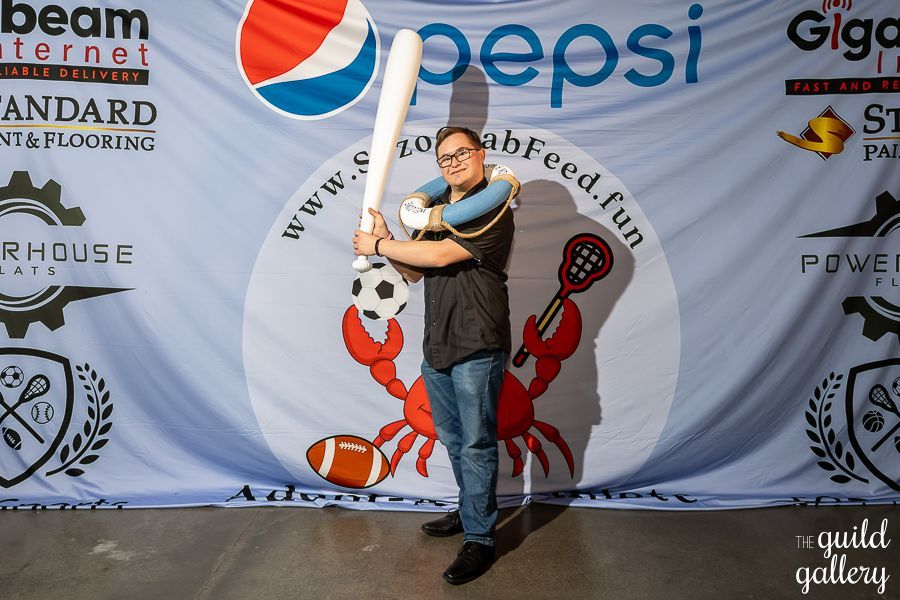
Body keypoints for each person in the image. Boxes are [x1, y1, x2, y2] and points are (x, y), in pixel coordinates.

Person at [352, 126, 514, 584]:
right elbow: (416, 269)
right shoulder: (437, 213)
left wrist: (377, 246)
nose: (454, 162)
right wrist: (385, 239)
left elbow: (443, 256)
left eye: (462, 153)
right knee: (453, 438)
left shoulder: (495, 208)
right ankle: (469, 513)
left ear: (481, 156)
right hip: (439, 345)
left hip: (478, 342)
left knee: (478, 443)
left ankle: (481, 540)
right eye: (445, 158)